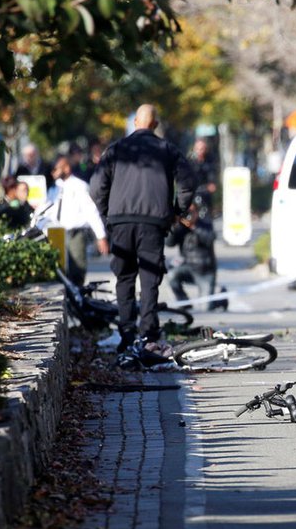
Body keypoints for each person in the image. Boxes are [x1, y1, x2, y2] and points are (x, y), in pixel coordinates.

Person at [90, 104, 196, 353]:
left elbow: (96, 188)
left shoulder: (116, 150)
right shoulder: (167, 149)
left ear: (135, 122)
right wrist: (177, 212)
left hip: (121, 222)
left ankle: (127, 334)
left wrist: (108, 213)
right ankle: (148, 334)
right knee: (150, 279)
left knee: (124, 277)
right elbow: (188, 182)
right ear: (155, 125)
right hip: (153, 223)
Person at [47, 155, 110, 287]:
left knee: (77, 269)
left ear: (66, 168)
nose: (53, 173)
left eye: (56, 169)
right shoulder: (54, 188)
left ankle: (78, 298)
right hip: (57, 234)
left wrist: (101, 236)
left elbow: (91, 212)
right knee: (60, 270)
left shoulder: (79, 186)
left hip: (74, 233)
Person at [166, 194, 225, 311]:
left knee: (206, 308)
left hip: (205, 272)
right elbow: (169, 243)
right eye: (187, 212)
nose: (189, 215)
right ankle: (184, 301)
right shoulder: (181, 227)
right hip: (188, 268)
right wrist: (175, 226)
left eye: (191, 211)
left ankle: (222, 300)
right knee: (171, 275)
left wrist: (193, 226)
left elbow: (210, 238)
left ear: (197, 211)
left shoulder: (205, 223)